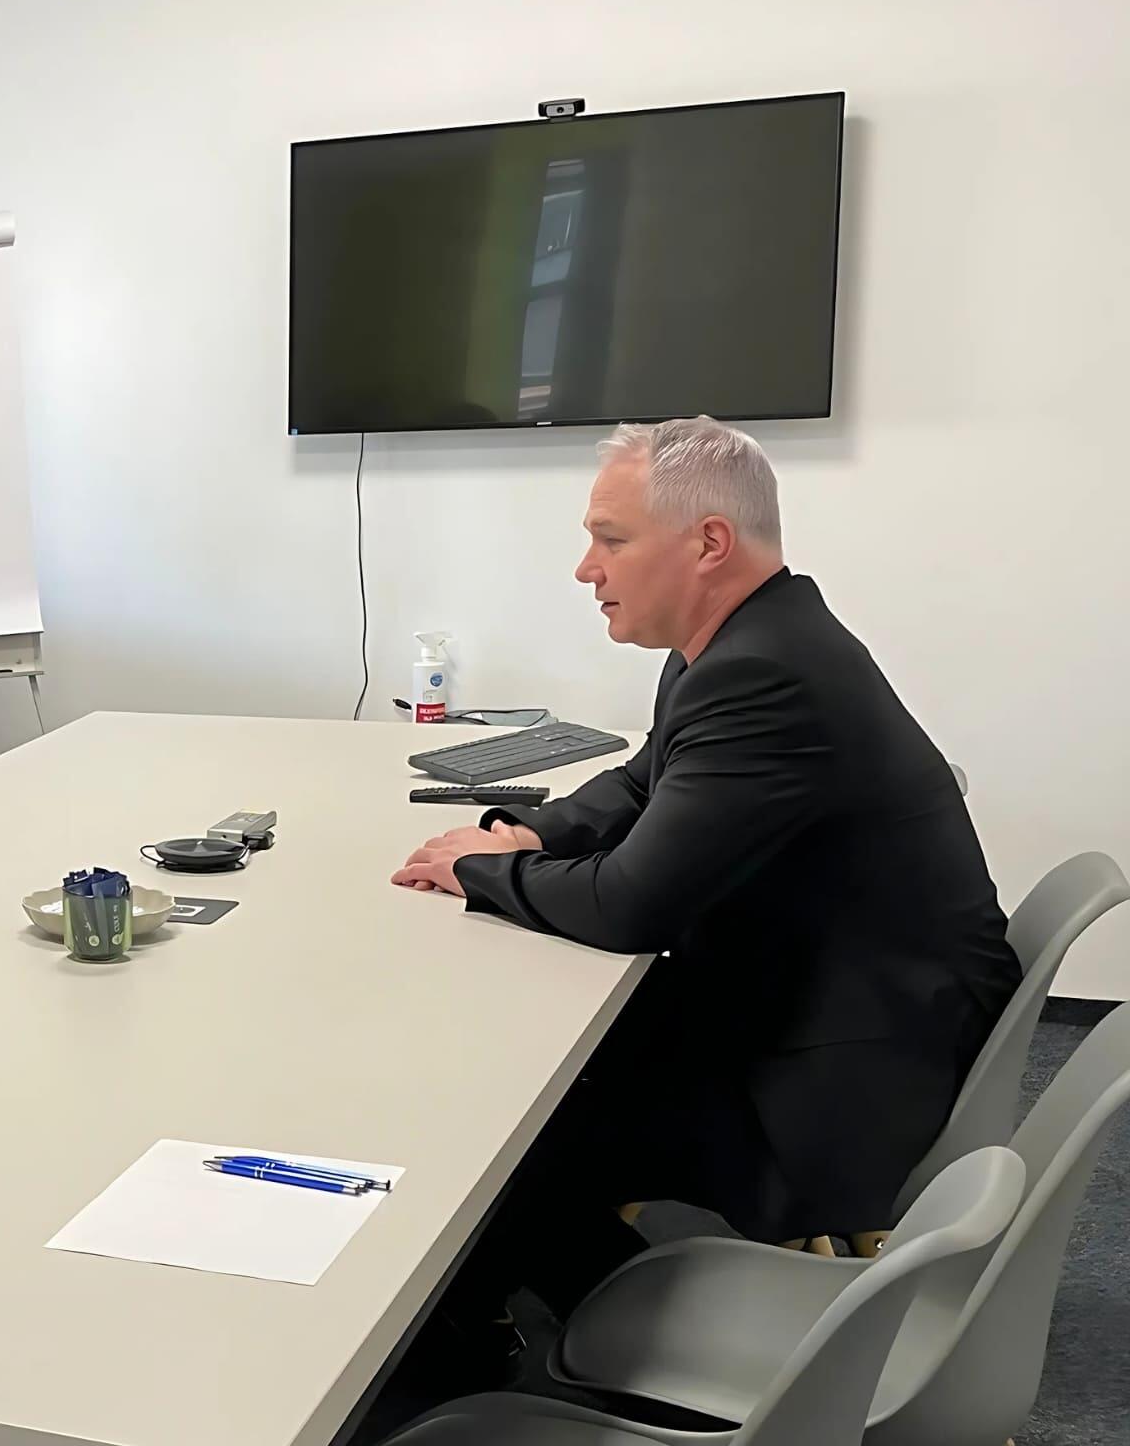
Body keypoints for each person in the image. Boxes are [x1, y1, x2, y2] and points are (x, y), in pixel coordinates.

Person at [392, 417, 1019, 1314]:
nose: (586, 569)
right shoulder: (749, 639)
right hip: (837, 1002)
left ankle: (591, 1347)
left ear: (709, 543)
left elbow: (629, 906)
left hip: (837, 1083)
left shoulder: (763, 673)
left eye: (611, 540)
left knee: (500, 1135)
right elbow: (645, 780)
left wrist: (478, 875)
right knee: (524, 1081)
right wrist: (527, 836)